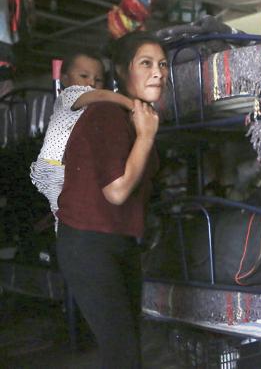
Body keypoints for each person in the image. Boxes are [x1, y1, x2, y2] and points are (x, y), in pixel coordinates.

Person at [55, 31, 167, 368]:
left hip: (118, 241)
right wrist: (147, 137)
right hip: (89, 243)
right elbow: (116, 191)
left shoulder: (136, 117)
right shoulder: (106, 113)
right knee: (124, 354)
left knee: (127, 349)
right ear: (121, 70)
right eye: (146, 63)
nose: (159, 72)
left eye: (162, 64)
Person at [30, 51, 134, 230]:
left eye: (98, 79)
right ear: (64, 79)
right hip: (52, 168)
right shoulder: (67, 97)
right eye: (84, 76)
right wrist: (133, 105)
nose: (91, 83)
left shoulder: (94, 112)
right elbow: (100, 95)